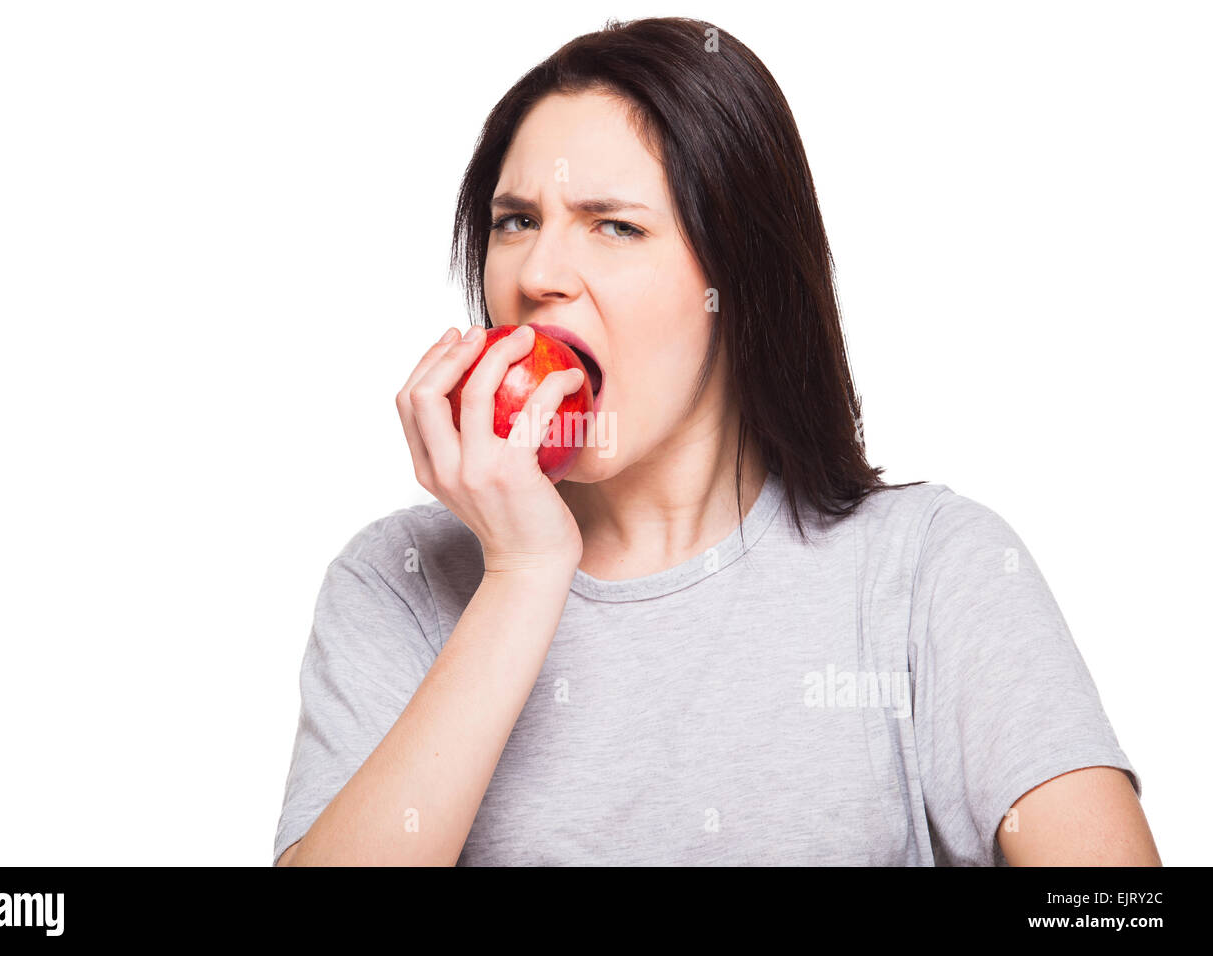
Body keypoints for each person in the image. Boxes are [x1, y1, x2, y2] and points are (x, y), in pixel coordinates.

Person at [273, 16, 1160, 866]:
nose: (538, 274)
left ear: (740, 280)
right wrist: (521, 572)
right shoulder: (398, 582)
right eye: (516, 221)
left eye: (614, 225)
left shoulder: (931, 569)